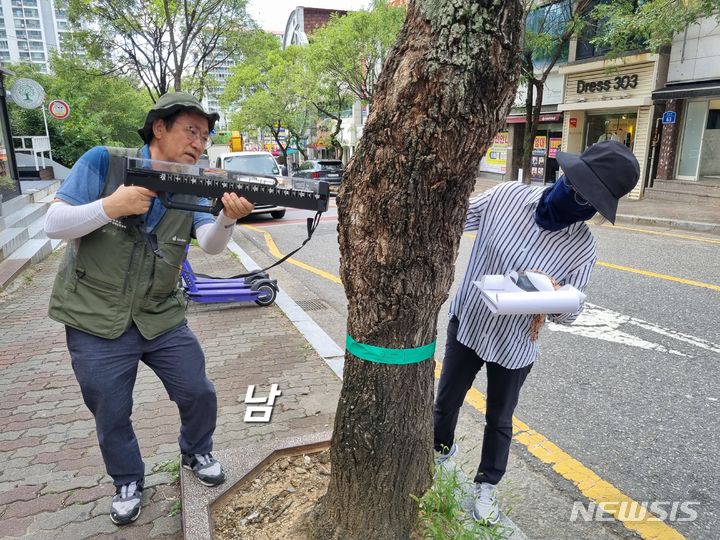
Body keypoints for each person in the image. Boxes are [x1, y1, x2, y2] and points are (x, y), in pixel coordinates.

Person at [44, 92, 254, 526]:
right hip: (95, 318)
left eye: (205, 135)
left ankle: (196, 450)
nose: (199, 142)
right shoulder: (104, 163)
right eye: (190, 131)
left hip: (161, 315)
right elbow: (53, 223)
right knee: (111, 409)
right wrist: (111, 206)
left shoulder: (192, 181)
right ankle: (127, 479)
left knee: (198, 390)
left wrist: (228, 219)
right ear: (159, 128)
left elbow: (211, 245)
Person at [433, 140, 640, 524]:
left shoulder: (581, 247)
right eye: (575, 189)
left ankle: (487, 486)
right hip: (470, 321)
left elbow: (571, 312)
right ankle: (440, 452)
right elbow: (454, 218)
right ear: (563, 174)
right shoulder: (507, 196)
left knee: (500, 419)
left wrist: (553, 298)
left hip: (515, 344)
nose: (576, 204)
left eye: (589, 203)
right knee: (447, 399)